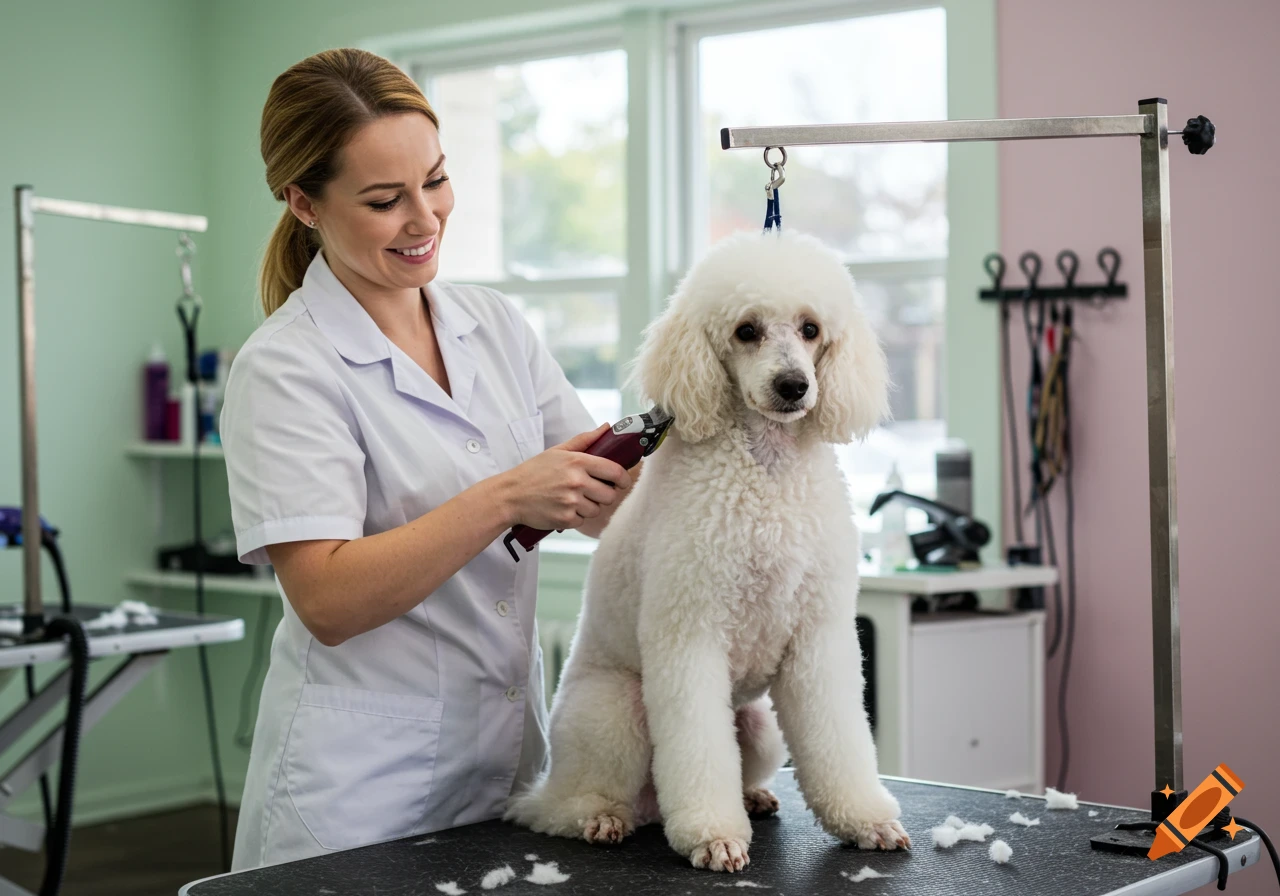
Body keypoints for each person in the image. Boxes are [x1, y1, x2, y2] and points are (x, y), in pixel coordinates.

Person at [220, 47, 636, 870]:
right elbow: (327, 600)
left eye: (436, 181)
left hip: (507, 762)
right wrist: (504, 499)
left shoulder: (494, 325)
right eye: (385, 200)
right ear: (304, 202)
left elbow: (605, 500)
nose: (425, 218)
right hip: (360, 793)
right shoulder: (287, 367)